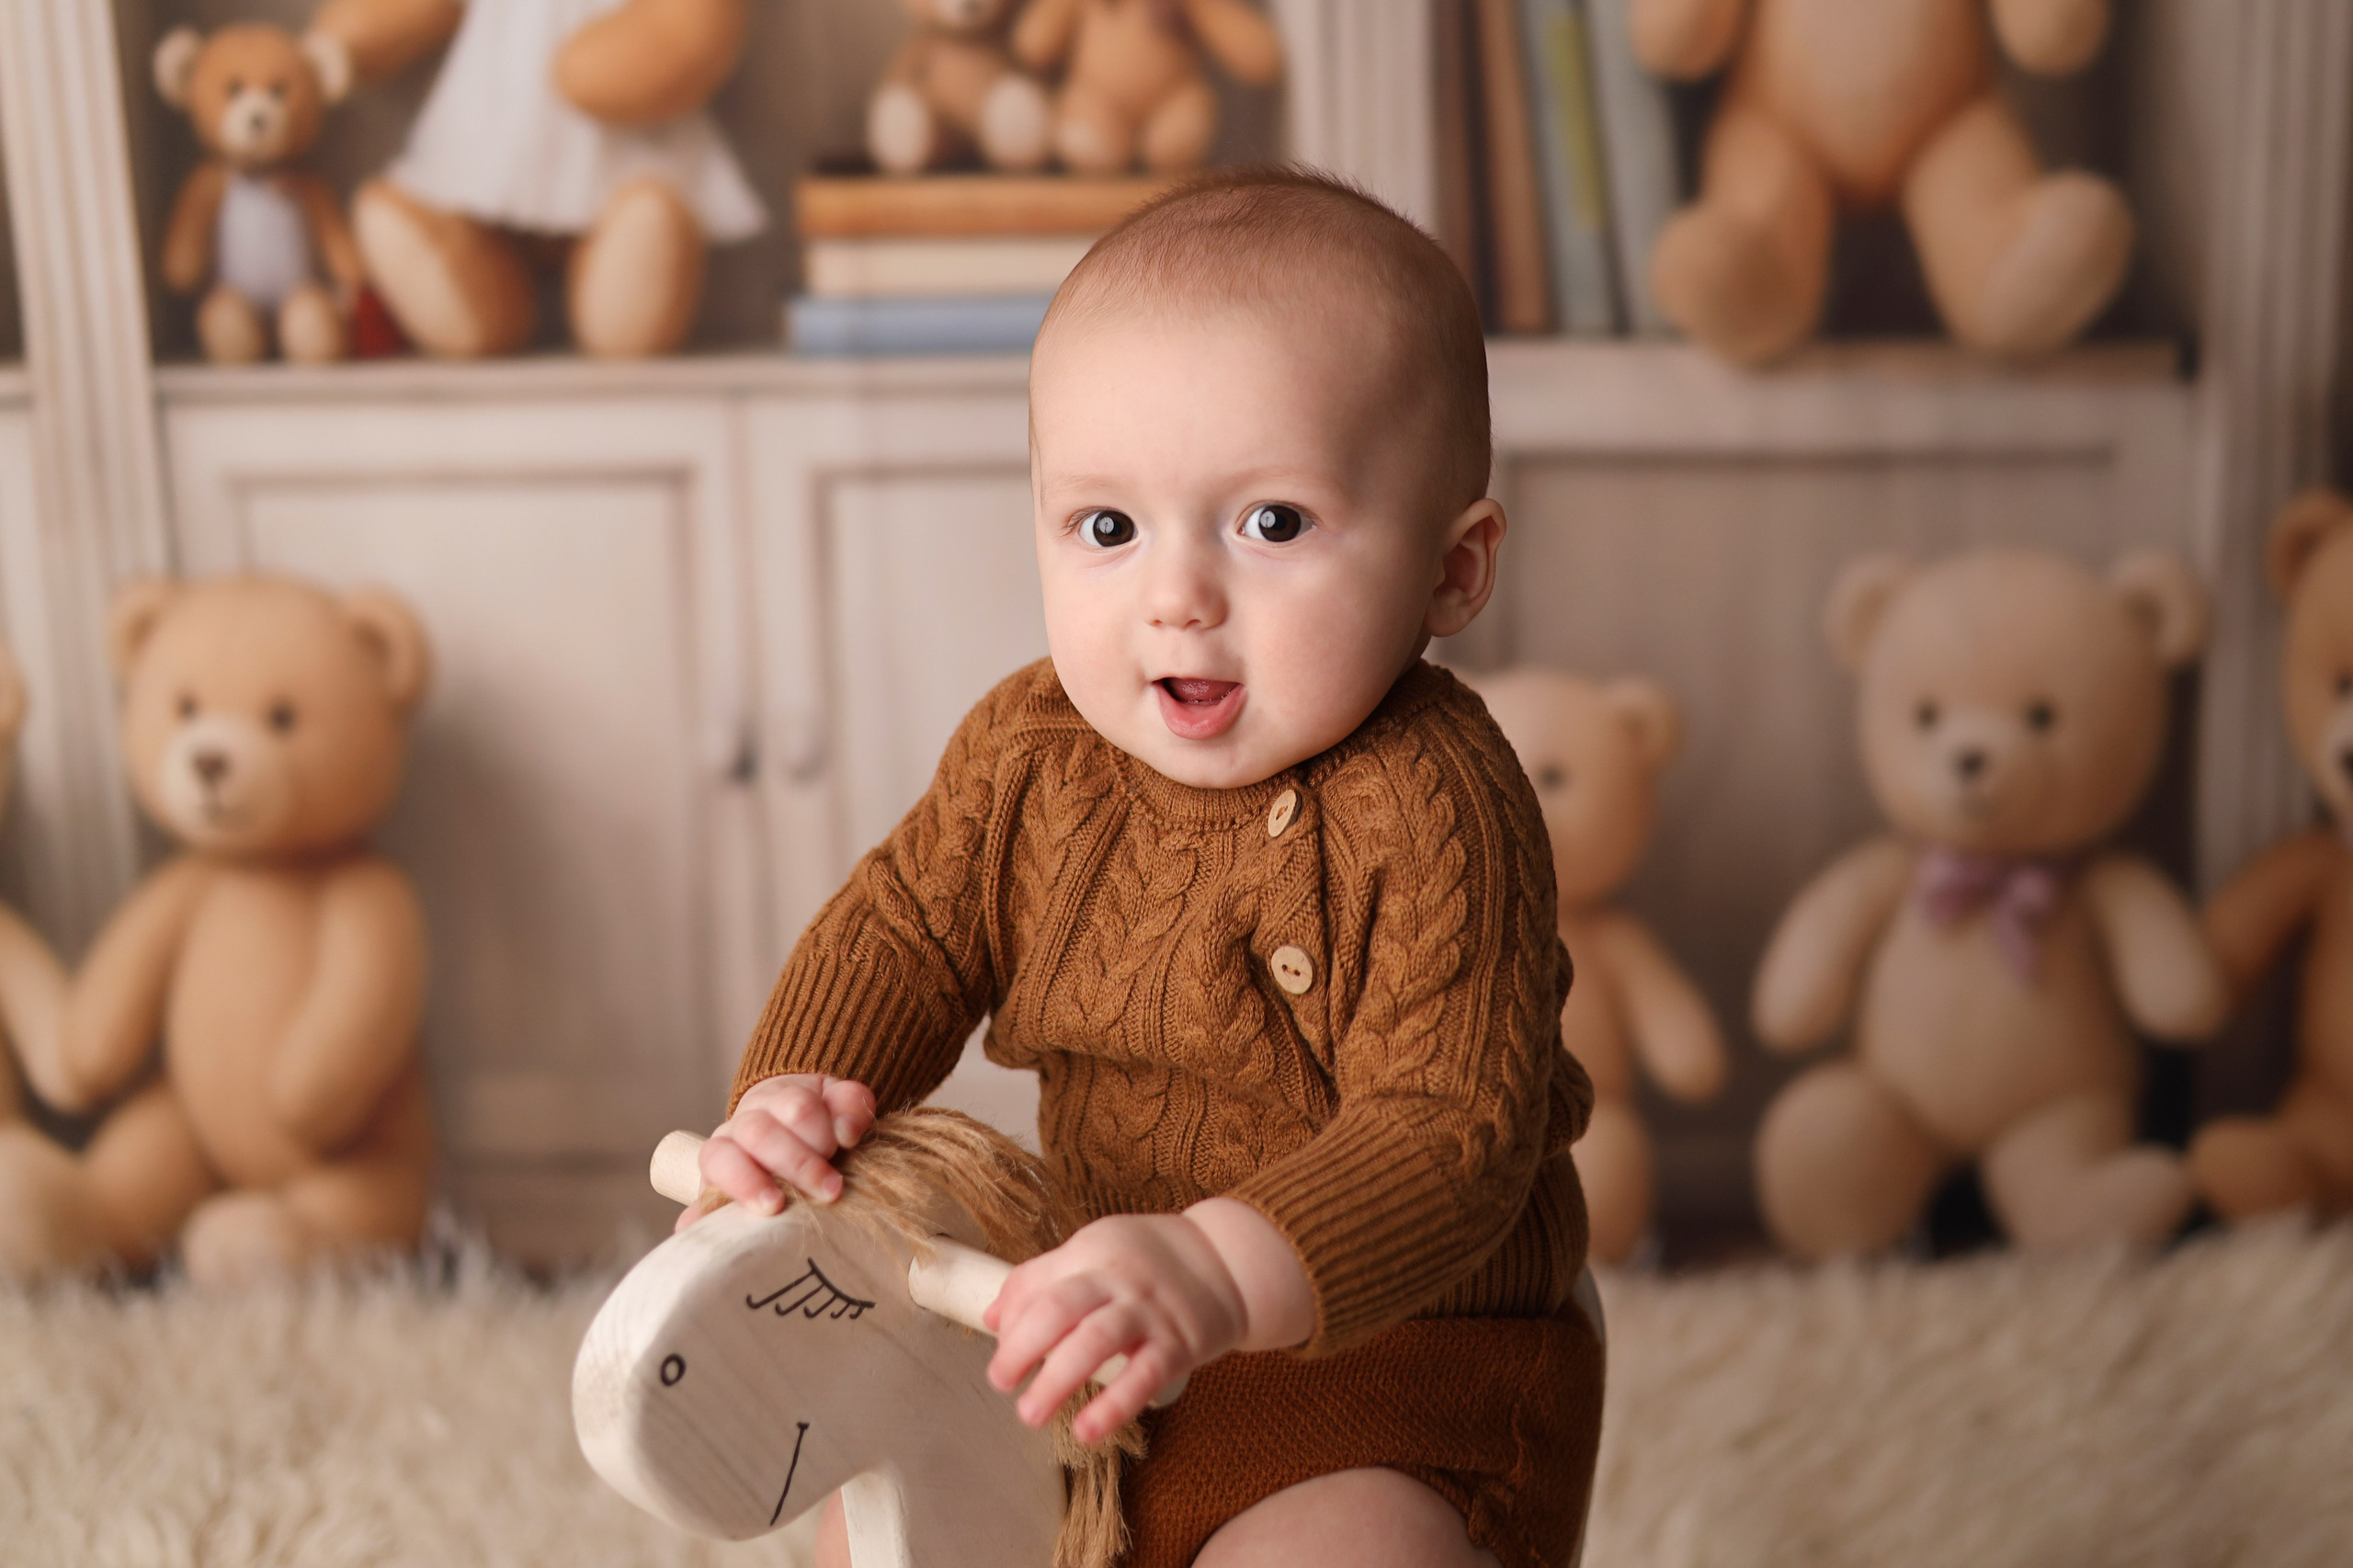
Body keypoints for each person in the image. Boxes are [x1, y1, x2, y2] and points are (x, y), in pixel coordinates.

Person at [689, 167, 1600, 1568]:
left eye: (1273, 523)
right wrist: (795, 1092)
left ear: (1452, 572)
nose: (1177, 596)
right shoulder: (1031, 752)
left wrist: (1223, 1267)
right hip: (1100, 1320)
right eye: (1108, 528)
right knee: (875, 1528)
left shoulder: (1437, 802)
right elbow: (904, 933)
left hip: (1393, 1363)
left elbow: (1449, 1131)